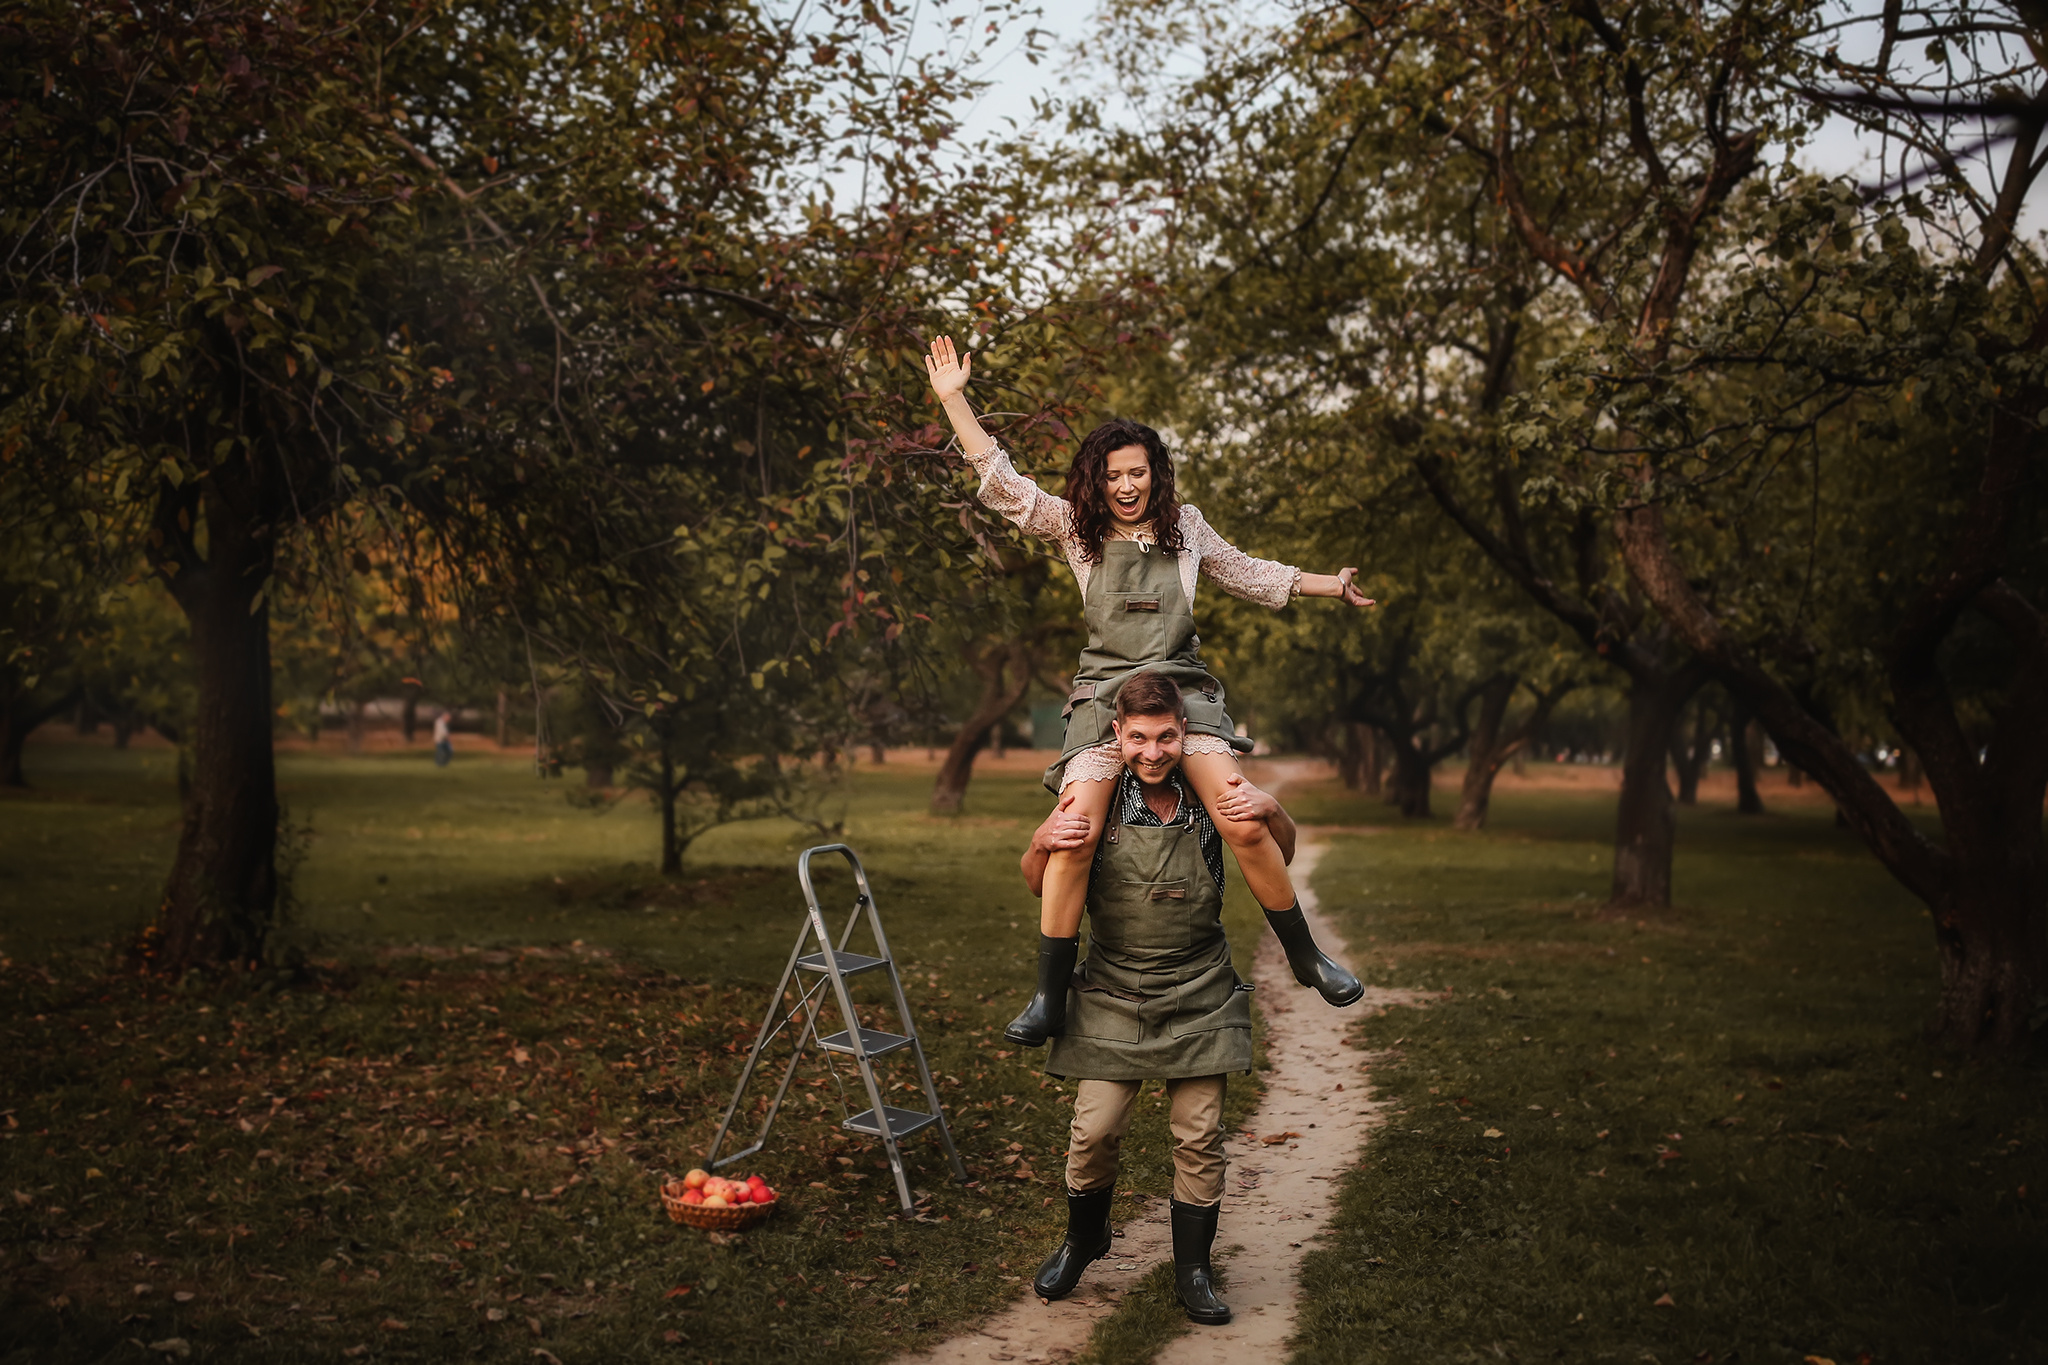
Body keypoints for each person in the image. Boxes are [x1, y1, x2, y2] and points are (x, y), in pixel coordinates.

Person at [923, 335, 1369, 1046]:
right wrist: (954, 400)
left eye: (1136, 473)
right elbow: (1006, 487)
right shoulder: (1078, 527)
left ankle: (1306, 956)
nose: (1125, 486)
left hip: (1183, 696)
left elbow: (1249, 572)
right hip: (1104, 700)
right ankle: (1048, 993)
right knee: (1072, 836)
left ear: (1154, 474)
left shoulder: (1186, 528)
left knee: (1242, 817)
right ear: (1095, 482)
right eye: (1112, 476)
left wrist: (1330, 585)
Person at [1020, 671, 1270, 1325]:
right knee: (1094, 1129)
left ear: (1184, 732)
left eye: (1165, 736)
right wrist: (1040, 842)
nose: (1153, 751)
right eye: (1139, 737)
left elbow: (1279, 852)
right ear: (1118, 734)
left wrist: (1274, 810)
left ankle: (1193, 1267)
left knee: (1198, 1135)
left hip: (1199, 989)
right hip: (1113, 989)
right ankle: (1084, 1237)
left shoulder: (1209, 795)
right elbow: (1036, 883)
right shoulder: (1095, 793)